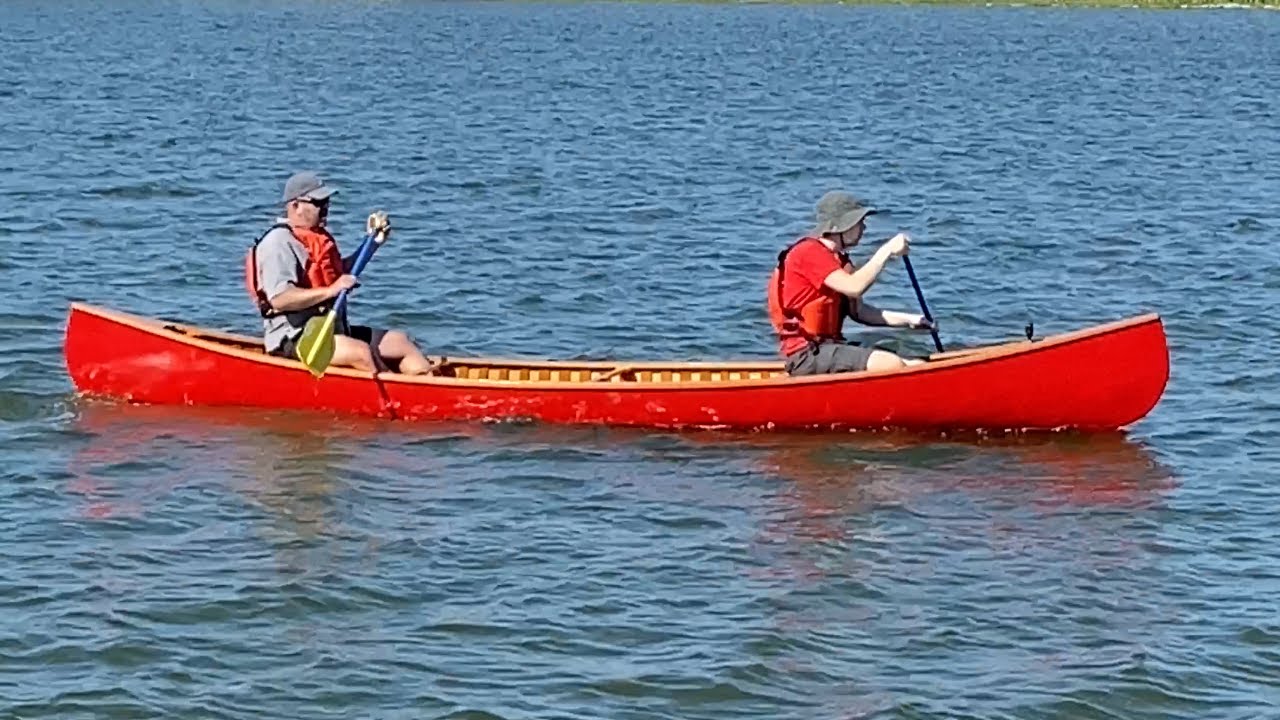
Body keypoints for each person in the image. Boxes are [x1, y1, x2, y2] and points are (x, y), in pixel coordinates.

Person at [244, 170, 433, 375]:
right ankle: (394, 391)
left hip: (331, 331)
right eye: (318, 203)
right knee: (360, 352)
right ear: (295, 206)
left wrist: (372, 244)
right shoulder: (277, 243)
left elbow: (341, 276)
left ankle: (428, 385)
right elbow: (280, 299)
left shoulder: (315, 236)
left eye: (327, 202)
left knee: (401, 342)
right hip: (295, 338)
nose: (325, 208)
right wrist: (331, 290)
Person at [766, 190, 935, 376]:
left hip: (829, 348)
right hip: (807, 354)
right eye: (859, 222)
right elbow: (854, 287)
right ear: (842, 226)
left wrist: (910, 320)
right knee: (889, 363)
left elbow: (859, 312)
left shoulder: (838, 260)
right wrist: (886, 251)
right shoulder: (808, 252)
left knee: (915, 364)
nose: (864, 228)